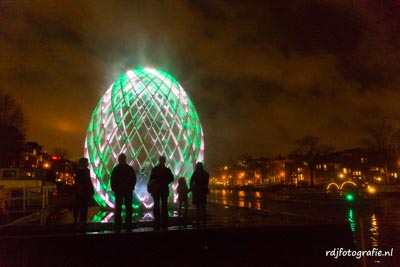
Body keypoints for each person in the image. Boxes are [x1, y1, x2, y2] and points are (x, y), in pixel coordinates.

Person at [110, 153, 137, 232]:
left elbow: (113, 180)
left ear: (119, 160)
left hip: (119, 191)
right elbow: (134, 179)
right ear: (125, 159)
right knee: (128, 206)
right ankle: (128, 222)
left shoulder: (116, 169)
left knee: (118, 206)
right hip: (128, 190)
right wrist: (131, 187)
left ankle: (118, 223)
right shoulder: (129, 168)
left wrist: (114, 188)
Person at [148, 156, 174, 229]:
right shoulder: (167, 170)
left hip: (156, 190)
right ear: (164, 161)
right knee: (164, 205)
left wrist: (151, 186)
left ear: (159, 161)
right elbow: (172, 178)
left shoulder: (155, 169)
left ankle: (157, 220)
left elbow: (151, 179)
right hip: (164, 189)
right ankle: (164, 220)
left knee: (156, 205)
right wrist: (165, 182)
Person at [73, 157, 94, 231]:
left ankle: (78, 220)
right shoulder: (84, 171)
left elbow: (87, 180)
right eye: (87, 162)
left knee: (80, 206)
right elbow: (88, 180)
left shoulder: (80, 171)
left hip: (81, 191)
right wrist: (91, 189)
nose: (88, 163)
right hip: (83, 191)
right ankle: (81, 221)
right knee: (82, 206)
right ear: (84, 163)